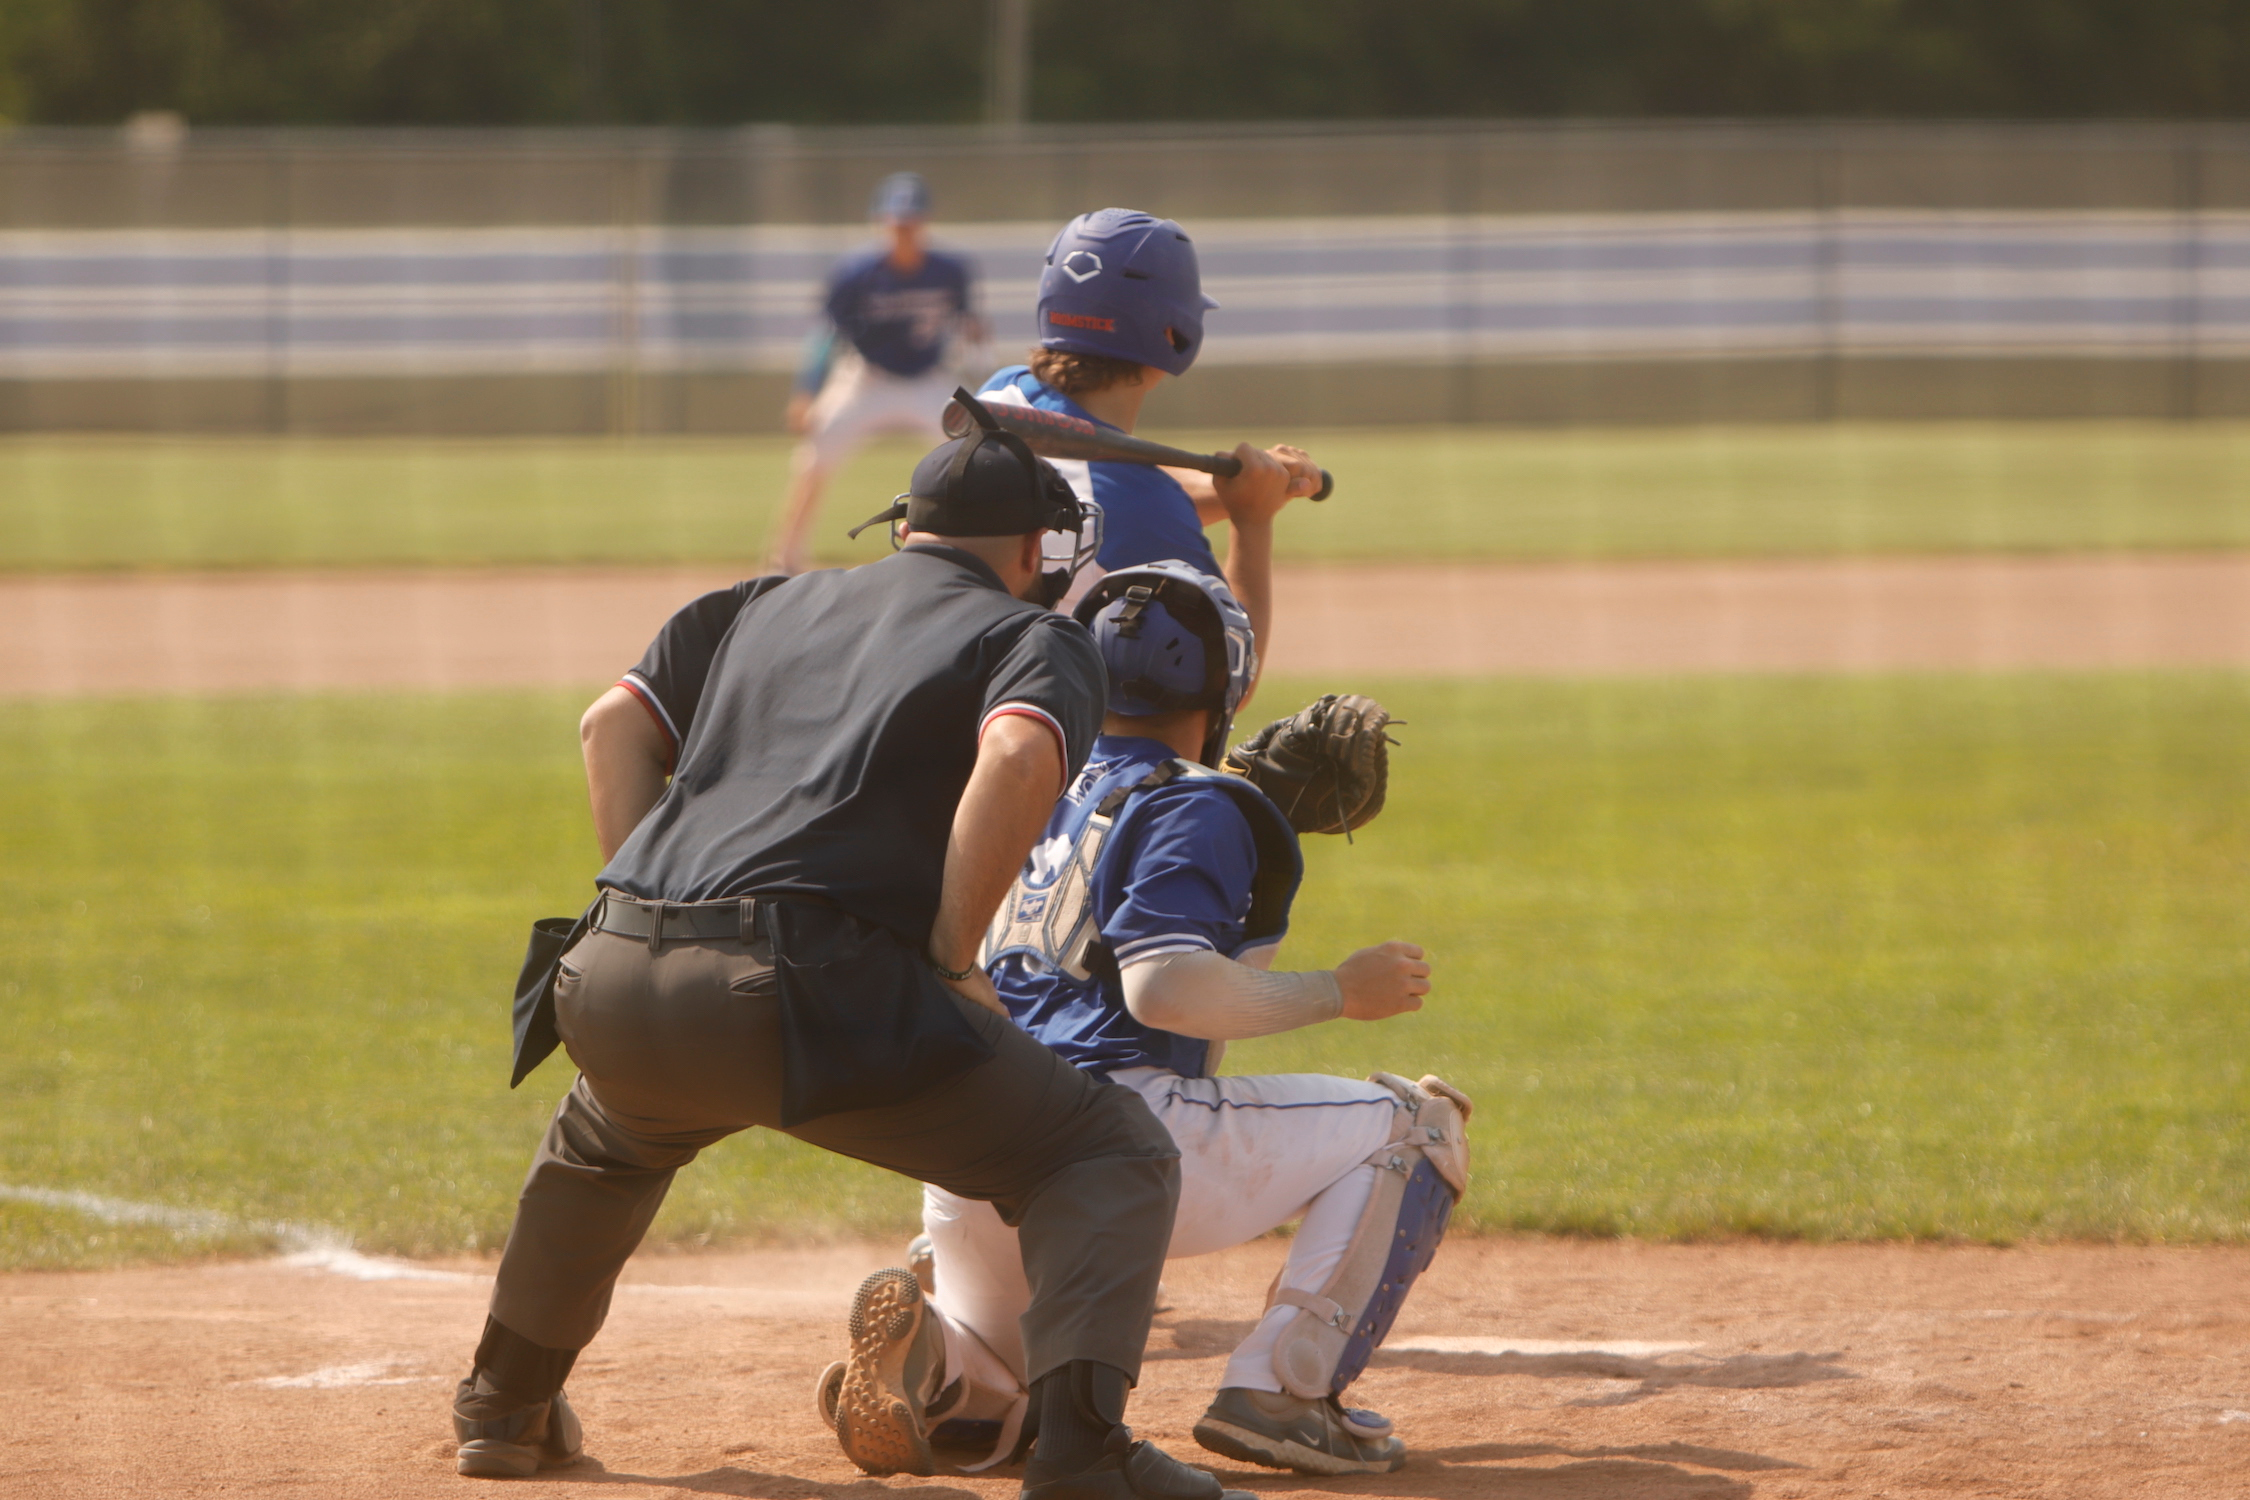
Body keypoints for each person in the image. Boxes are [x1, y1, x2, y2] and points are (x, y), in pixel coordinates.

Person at [455, 404, 1253, 1500]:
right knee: (1105, 1152)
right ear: (1035, 551)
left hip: (607, 971)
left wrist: (652, 899)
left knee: (602, 1145)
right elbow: (1019, 759)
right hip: (809, 992)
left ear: (905, 528)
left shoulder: (755, 601)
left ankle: (502, 1407)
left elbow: (611, 726)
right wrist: (955, 960)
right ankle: (1082, 1455)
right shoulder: (1033, 637)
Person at [816, 562, 1469, 1479]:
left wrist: (1241, 820)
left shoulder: (1026, 778)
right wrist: (1338, 991)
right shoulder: (1198, 803)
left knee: (1008, 1378)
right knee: (1416, 1126)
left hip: (967, 1146)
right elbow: (1163, 992)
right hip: (1115, 1142)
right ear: (1228, 684)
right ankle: (1284, 1391)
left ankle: (949, 1371)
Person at [975, 208, 1324, 659]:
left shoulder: (1003, 395)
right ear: (1173, 332)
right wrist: (1252, 520)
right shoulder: (1150, 512)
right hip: (1052, 700)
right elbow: (1228, 675)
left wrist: (1233, 492)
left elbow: (1108, 489)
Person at [767, 171, 986, 576]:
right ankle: (786, 559)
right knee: (813, 460)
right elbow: (826, 336)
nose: (902, 230)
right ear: (880, 222)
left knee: (979, 453)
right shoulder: (856, 271)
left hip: (927, 379)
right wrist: (807, 392)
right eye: (896, 221)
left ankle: (984, 552)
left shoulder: (950, 271)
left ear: (924, 222)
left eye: (910, 221)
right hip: (866, 380)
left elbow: (969, 323)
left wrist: (976, 342)